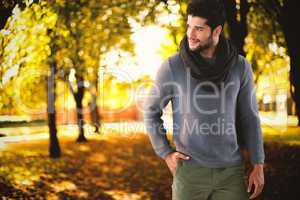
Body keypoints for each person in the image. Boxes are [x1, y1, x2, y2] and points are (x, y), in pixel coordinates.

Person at [143, 0, 265, 199]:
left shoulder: (240, 66)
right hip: (189, 174)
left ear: (217, 31)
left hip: (231, 174)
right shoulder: (173, 66)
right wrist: (165, 152)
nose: (190, 34)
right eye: (189, 26)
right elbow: (150, 111)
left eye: (198, 29)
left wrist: (258, 164)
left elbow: (250, 117)